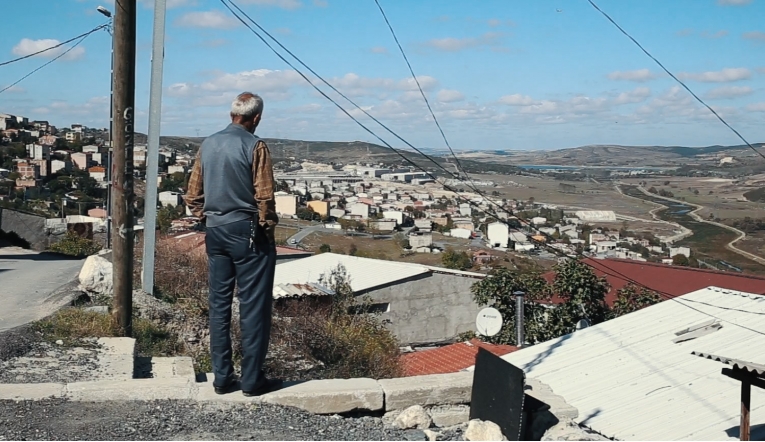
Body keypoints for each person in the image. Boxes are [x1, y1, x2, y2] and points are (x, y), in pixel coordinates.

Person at [184, 92, 282, 396]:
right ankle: (252, 380)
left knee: (219, 305)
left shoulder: (208, 143)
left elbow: (192, 194)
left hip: (216, 231)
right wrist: (266, 228)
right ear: (256, 118)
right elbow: (264, 196)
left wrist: (206, 216)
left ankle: (222, 377)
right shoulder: (256, 146)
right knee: (254, 307)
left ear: (231, 115)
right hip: (249, 232)